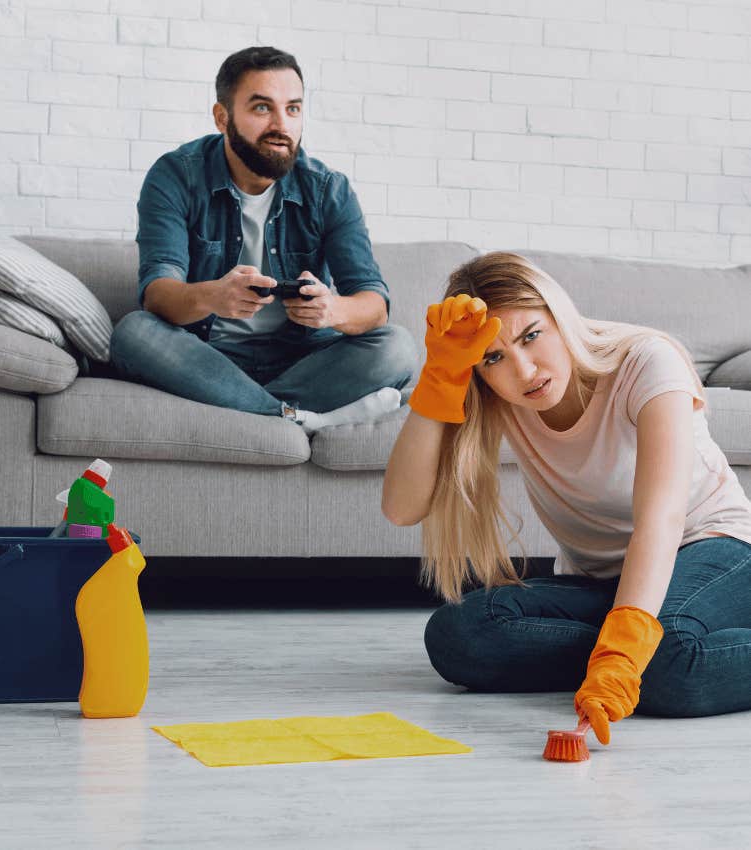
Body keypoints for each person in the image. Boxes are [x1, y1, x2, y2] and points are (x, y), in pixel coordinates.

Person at [382, 252, 751, 745]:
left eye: (531, 335)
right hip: (605, 579)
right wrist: (439, 376)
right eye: (493, 357)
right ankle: (644, 644)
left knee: (664, 670)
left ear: (558, 315)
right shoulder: (499, 396)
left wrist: (625, 653)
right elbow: (402, 508)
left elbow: (662, 519)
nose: (524, 369)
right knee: (459, 635)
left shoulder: (647, 361)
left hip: (712, 546)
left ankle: (648, 650)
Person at [110, 45, 416, 434]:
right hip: (206, 356)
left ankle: (248, 407)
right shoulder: (176, 176)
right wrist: (212, 296)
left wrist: (332, 310)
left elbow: (373, 304)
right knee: (133, 333)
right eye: (261, 108)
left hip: (304, 359)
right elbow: (157, 292)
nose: (281, 125)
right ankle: (295, 418)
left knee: (398, 347)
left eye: (292, 109)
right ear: (223, 117)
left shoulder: (328, 189)